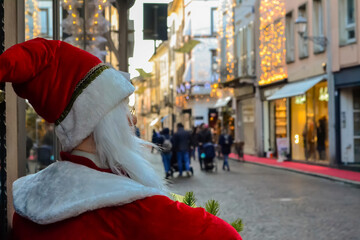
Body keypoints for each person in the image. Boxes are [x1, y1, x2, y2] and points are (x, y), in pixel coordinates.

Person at [1, 38, 241, 239]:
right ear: (105, 123)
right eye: (126, 110)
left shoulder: (26, 207)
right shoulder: (134, 210)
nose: (132, 121)